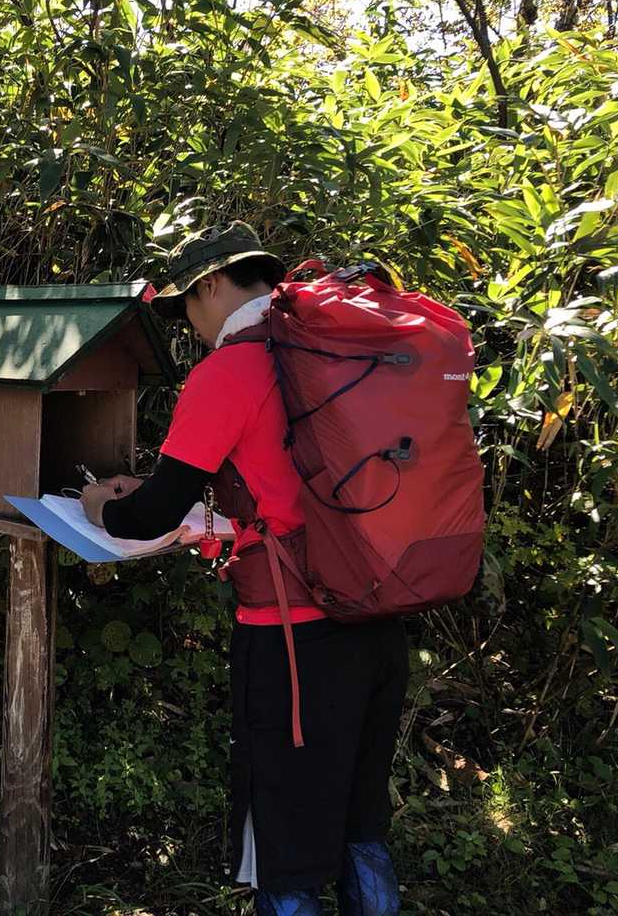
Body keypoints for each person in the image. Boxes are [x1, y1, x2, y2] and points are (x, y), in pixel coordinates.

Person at [80, 222, 408, 916]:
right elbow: (301, 500)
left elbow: (148, 515)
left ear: (210, 286)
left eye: (185, 310)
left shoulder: (231, 369)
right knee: (361, 817)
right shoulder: (338, 353)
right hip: (378, 616)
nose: (191, 328)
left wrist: (98, 505)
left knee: (284, 836)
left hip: (291, 638)